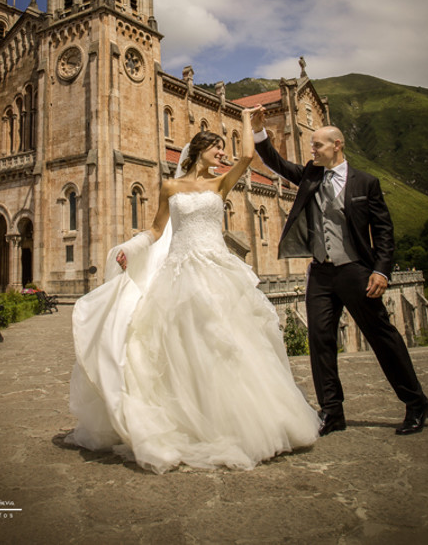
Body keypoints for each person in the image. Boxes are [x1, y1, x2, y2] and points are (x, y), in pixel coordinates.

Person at [65, 109, 320, 473]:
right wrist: (130, 249)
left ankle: (237, 419)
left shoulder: (220, 185)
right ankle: (193, 419)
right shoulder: (170, 187)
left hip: (217, 269)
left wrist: (247, 120)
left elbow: (248, 156)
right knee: (184, 343)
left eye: (223, 152)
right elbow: (155, 230)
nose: (223, 156)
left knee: (226, 341)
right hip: (179, 272)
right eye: (217, 150)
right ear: (200, 151)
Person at [250, 109, 428, 437]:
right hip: (320, 273)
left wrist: (381, 270)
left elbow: (384, 230)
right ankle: (332, 412)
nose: (312, 150)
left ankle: (416, 402)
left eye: (318, 145)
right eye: (311, 146)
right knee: (320, 339)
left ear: (337, 145)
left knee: (382, 337)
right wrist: (259, 132)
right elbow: (277, 165)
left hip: (355, 271)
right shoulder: (310, 175)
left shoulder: (366, 183)